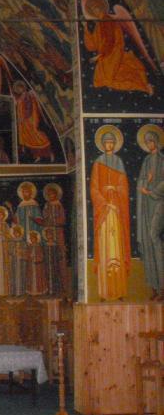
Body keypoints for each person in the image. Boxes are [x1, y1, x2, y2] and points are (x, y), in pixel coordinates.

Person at [82, 0, 154, 95]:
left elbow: (109, 40)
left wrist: (101, 54)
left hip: (112, 53)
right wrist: (86, 31)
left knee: (107, 78)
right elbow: (93, 45)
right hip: (107, 56)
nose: (95, 11)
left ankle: (143, 86)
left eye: (96, 8)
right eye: (92, 10)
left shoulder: (106, 20)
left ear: (100, 7)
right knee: (117, 75)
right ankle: (144, 85)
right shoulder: (99, 24)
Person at [90, 128, 130, 301]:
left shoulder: (119, 162)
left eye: (112, 142)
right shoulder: (97, 163)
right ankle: (104, 292)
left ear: (115, 144)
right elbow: (93, 187)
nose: (109, 145)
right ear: (102, 144)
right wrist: (103, 201)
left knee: (117, 248)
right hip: (104, 212)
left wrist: (116, 189)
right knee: (105, 248)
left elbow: (124, 186)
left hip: (116, 210)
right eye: (106, 142)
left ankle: (119, 291)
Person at [135, 126, 164, 300]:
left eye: (151, 141)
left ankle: (162, 287)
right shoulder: (146, 161)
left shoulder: (162, 160)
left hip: (158, 203)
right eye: (147, 142)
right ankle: (154, 286)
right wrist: (147, 182)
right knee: (147, 241)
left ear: (157, 142)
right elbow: (140, 182)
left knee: (154, 237)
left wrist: (151, 192)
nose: (149, 144)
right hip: (146, 204)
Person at [12, 81, 53, 163]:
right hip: (23, 123)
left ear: (23, 87)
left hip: (30, 120)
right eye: (17, 89)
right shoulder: (21, 97)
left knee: (35, 135)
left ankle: (49, 153)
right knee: (28, 138)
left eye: (19, 88)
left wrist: (24, 117)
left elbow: (29, 108)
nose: (18, 90)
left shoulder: (27, 95)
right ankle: (37, 155)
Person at [25, 230, 47, 296]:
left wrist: (36, 258)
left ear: (36, 239)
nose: (32, 240)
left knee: (38, 277)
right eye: (31, 239)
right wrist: (29, 257)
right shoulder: (29, 247)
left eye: (34, 238)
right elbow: (27, 255)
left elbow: (41, 256)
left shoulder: (39, 247)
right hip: (31, 265)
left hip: (38, 265)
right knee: (31, 278)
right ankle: (32, 291)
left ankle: (39, 291)